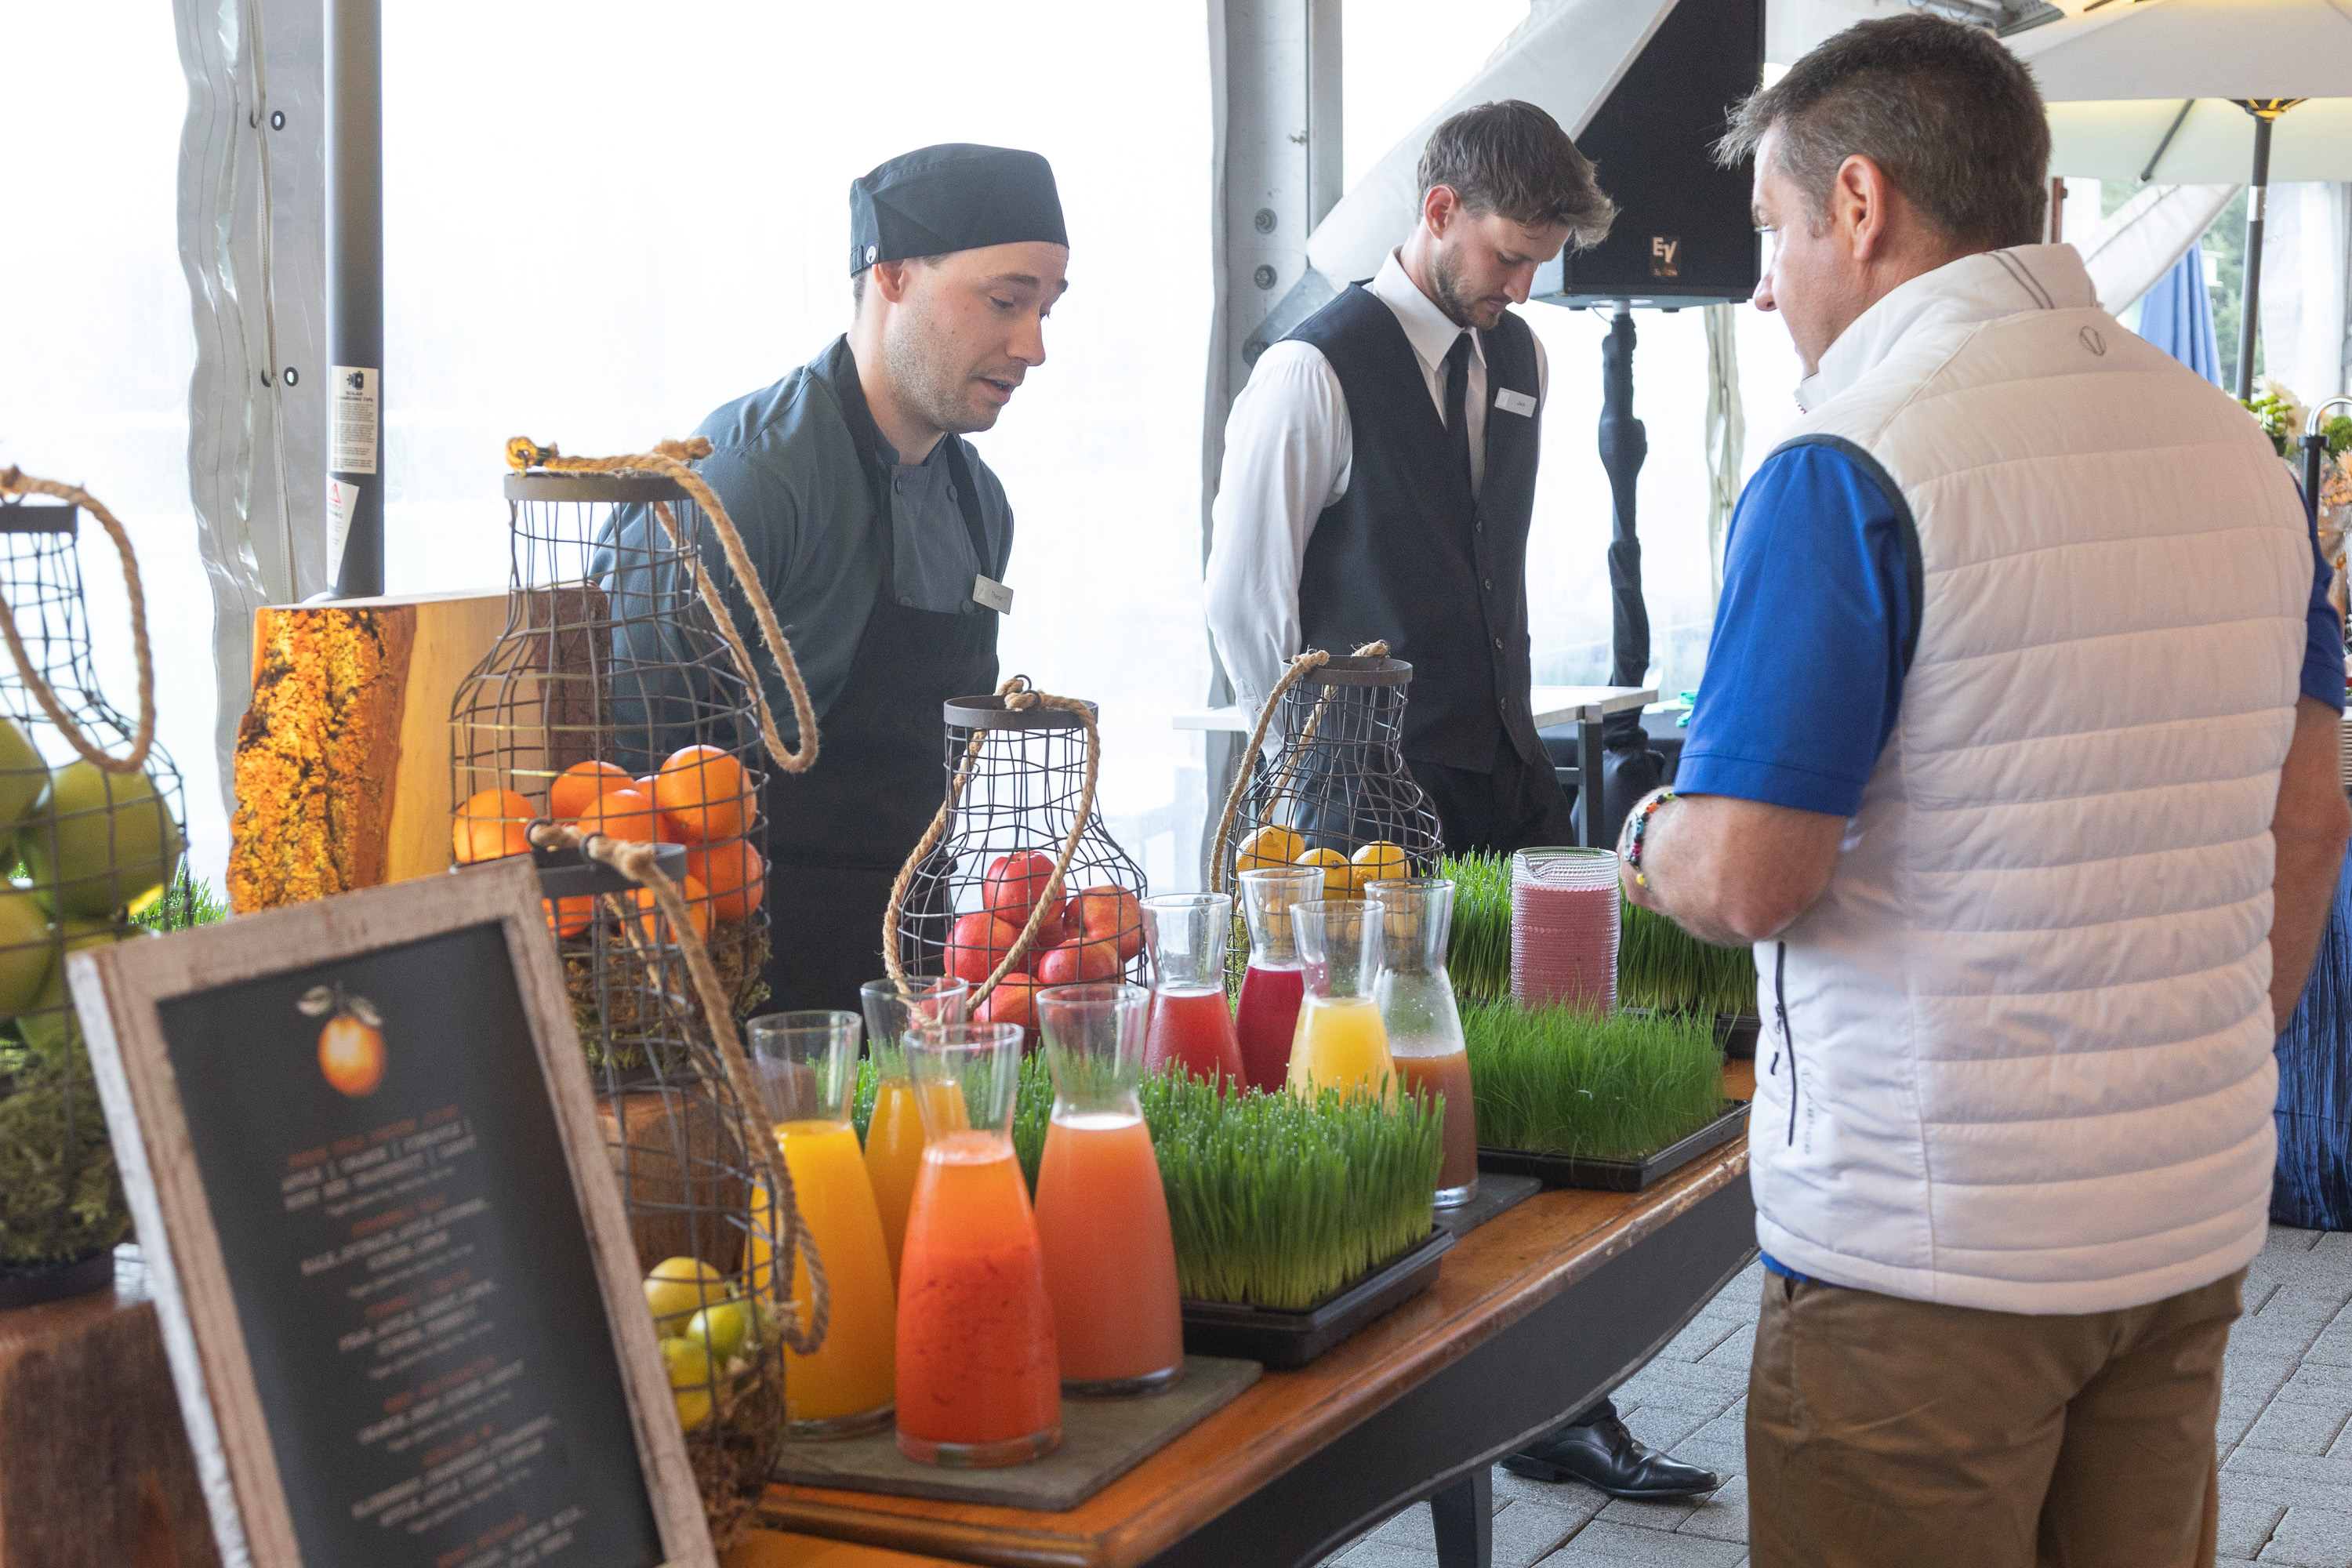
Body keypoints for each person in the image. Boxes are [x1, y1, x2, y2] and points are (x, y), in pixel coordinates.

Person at [1618, 17, 2352, 1566]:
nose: (1765, 287)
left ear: (1861, 205)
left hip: (1926, 1257)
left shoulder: (1849, 464)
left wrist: (1643, 842)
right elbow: (2310, 819)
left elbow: (1749, 875)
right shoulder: (2238, 455)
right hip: (2184, 1220)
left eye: (1771, 229)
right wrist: (2196, 1067)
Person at [1205, 99, 1714, 1502]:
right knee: (1387, 1118)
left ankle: (1560, 1402)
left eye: (1542, 260)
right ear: (1436, 213)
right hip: (1360, 798)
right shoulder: (1310, 370)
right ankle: (1387, 1424)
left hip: (1503, 770)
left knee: (1540, 1086)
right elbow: (1243, 607)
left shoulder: (1521, 355)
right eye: (1507, 255)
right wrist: (1319, 769)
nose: (1523, 287)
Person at [611, 143, 1068, 1013]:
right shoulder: (751, 479)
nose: (1034, 346)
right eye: (1006, 302)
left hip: (913, 981)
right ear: (891, 274)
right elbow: (619, 761)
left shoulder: (983, 507)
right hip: (741, 995)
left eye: (1048, 308)